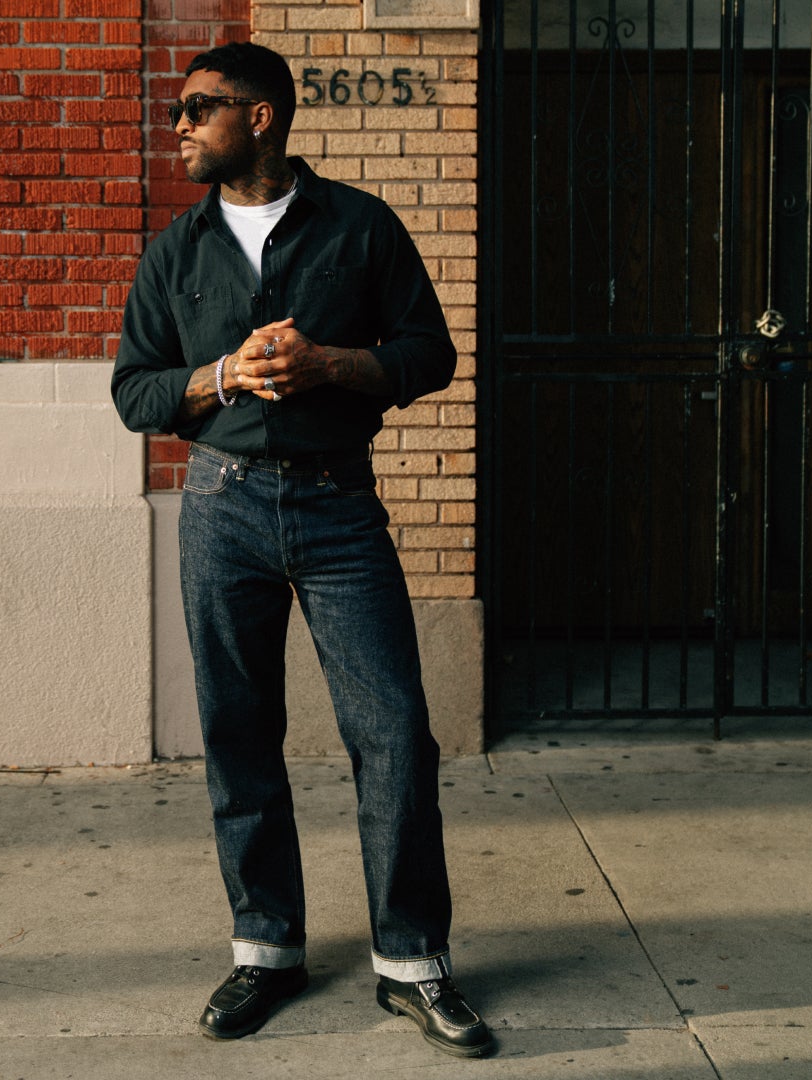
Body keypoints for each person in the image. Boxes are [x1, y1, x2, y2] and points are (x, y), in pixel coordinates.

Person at [109, 41, 492, 1058]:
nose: (180, 127)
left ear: (262, 115)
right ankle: (265, 948)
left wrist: (332, 363)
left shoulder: (359, 228)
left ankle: (413, 961)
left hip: (337, 510)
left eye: (198, 109)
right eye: (178, 112)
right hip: (222, 507)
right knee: (239, 732)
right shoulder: (176, 250)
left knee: (396, 733)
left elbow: (430, 354)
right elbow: (135, 393)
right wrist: (221, 376)